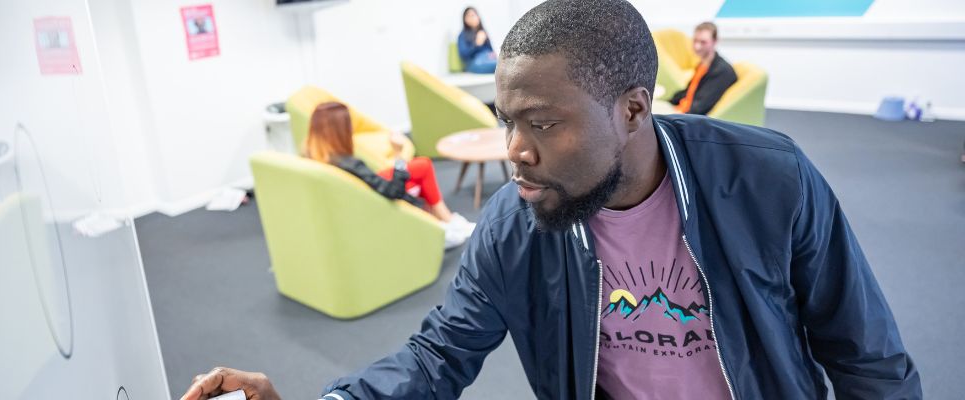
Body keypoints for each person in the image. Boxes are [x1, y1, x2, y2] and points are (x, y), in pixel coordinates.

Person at [181, 1, 922, 399]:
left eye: (542, 124)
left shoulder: (769, 181)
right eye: (507, 121)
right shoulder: (517, 220)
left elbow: (867, 360)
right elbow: (437, 355)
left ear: (633, 112)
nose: (516, 150)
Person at [304, 102, 475, 249]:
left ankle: (444, 219)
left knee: (422, 165)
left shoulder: (312, 155)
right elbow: (395, 191)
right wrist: (398, 154)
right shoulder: (351, 164)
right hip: (375, 199)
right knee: (420, 171)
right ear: (340, 131)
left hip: (362, 188)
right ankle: (443, 224)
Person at [669, 22, 738, 116]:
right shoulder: (703, 65)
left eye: (703, 42)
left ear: (715, 41)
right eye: (695, 41)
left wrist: (672, 116)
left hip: (688, 119)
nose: (697, 46)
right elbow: (688, 92)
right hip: (681, 110)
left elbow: (700, 107)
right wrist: (668, 102)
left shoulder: (721, 71)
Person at [457, 7, 497, 74]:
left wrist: (493, 54)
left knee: (502, 62)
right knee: (499, 65)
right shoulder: (462, 35)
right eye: (469, 16)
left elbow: (490, 50)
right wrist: (476, 44)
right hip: (474, 62)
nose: (473, 18)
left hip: (488, 58)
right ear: (465, 19)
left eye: (474, 15)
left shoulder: (483, 32)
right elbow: (464, 56)